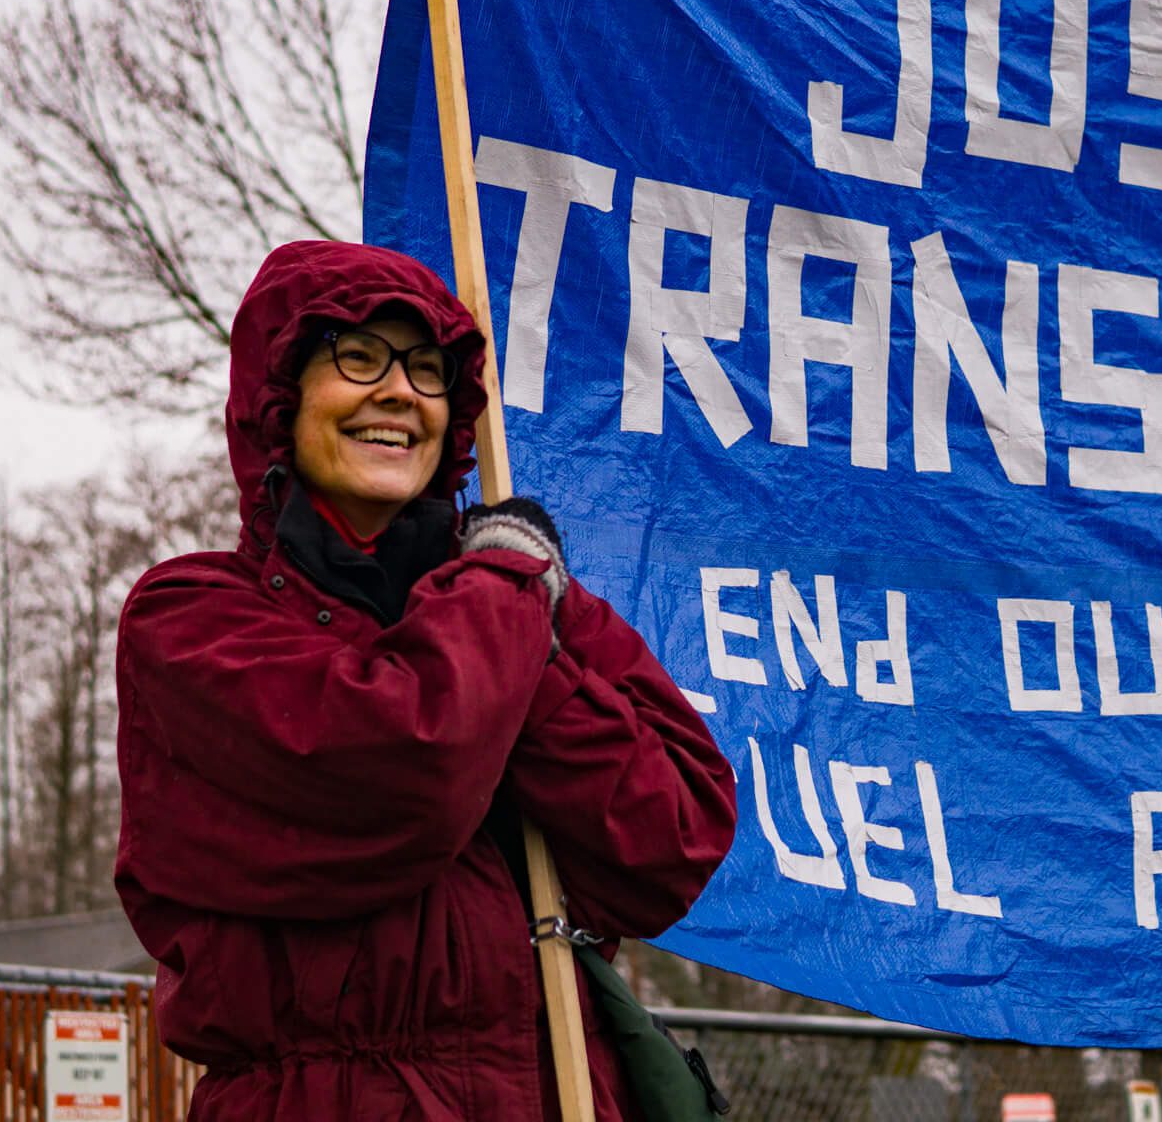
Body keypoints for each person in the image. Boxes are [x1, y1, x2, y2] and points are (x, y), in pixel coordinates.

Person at [115, 239, 739, 1119]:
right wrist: (500, 610)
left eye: (427, 369)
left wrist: (522, 646)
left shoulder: (529, 594)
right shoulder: (189, 620)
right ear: (279, 400)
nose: (399, 391)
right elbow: (414, 769)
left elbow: (678, 837)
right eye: (357, 357)